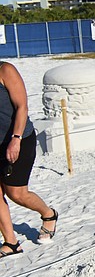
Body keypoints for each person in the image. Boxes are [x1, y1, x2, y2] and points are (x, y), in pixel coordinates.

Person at [0, 61, 59, 258]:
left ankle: (48, 214)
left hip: (18, 140)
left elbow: (22, 107)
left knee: (17, 194)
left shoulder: (5, 70)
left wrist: (15, 140)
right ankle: (11, 243)